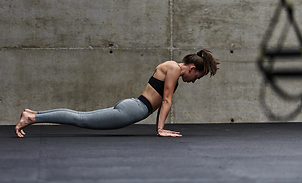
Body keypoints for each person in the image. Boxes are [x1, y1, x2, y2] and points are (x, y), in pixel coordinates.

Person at [15, 49, 219, 137]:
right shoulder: (174, 68)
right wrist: (160, 130)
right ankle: (33, 117)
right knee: (81, 119)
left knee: (82, 117)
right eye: (197, 77)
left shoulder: (172, 68)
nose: (193, 82)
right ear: (192, 68)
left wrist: (160, 127)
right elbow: (166, 100)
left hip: (133, 107)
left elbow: (164, 101)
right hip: (132, 110)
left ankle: (35, 115)